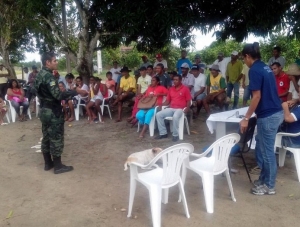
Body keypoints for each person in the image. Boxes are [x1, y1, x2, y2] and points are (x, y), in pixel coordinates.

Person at [240, 42, 283, 195]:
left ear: (247, 56)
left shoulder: (255, 70)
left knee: (267, 152)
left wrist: (246, 117)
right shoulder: (265, 66)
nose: (244, 62)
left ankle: (269, 186)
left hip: (269, 115)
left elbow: (256, 96)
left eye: (243, 59)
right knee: (263, 146)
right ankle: (264, 179)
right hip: (274, 112)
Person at [33, 51, 85, 174]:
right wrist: (74, 92)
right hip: (53, 111)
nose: (57, 62)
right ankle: (58, 166)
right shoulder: (49, 76)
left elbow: (34, 89)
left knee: (46, 137)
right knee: (56, 137)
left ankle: (48, 163)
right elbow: (57, 95)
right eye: (55, 60)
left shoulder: (40, 75)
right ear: (48, 62)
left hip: (44, 110)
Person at [155, 74, 192, 142]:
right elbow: (168, 101)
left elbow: (188, 100)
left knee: (175, 116)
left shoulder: (185, 89)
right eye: (174, 80)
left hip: (180, 109)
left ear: (180, 81)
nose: (174, 81)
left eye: (176, 80)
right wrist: (161, 105)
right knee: (158, 114)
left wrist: (187, 108)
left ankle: (175, 135)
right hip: (171, 108)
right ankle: (163, 133)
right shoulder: (171, 89)